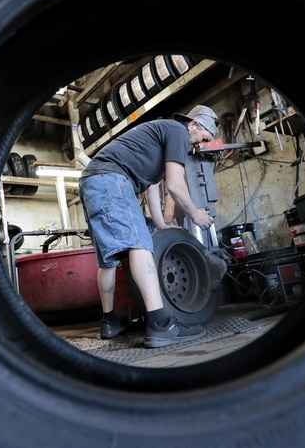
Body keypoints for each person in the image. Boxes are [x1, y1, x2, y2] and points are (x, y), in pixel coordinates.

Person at [79, 104, 220, 348]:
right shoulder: (178, 131)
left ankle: (110, 322)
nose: (199, 145)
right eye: (204, 138)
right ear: (194, 124)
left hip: (93, 182)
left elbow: (152, 184)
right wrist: (195, 213)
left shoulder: (160, 136)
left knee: (108, 260)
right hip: (112, 179)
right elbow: (175, 184)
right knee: (140, 246)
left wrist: (160, 224)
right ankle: (161, 324)